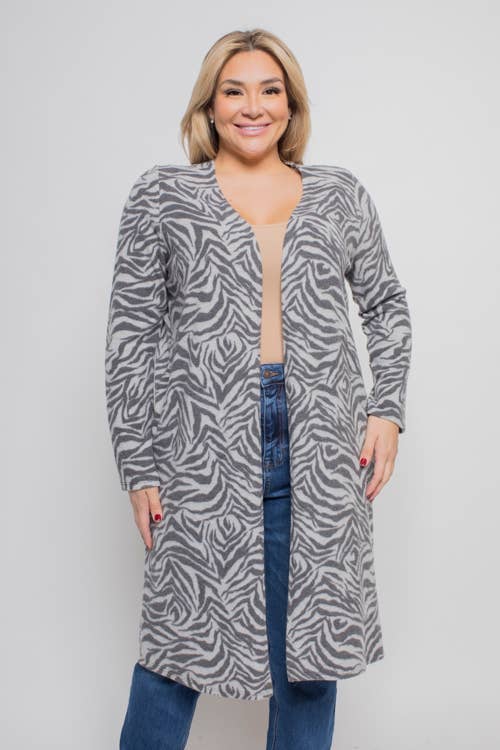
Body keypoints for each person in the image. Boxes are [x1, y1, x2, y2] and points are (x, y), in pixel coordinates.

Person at [105, 27, 412, 750]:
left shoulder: (338, 194)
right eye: (234, 91)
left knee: (312, 657)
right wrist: (138, 465)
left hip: (323, 446)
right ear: (209, 107)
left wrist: (387, 411)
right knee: (175, 652)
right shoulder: (163, 197)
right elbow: (130, 337)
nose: (253, 107)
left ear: (291, 104)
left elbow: (386, 305)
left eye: (270, 90)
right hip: (201, 449)